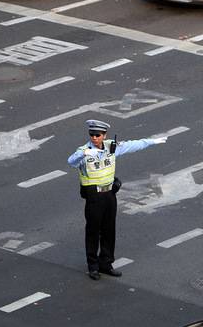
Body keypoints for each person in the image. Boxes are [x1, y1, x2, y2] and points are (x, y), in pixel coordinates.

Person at [68, 119, 167, 280]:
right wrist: (84, 154)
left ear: (104, 135)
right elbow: (71, 162)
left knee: (109, 230)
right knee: (93, 231)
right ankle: (93, 266)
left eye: (97, 135)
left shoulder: (111, 147)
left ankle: (106, 263)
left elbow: (133, 145)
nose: (94, 138)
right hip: (93, 196)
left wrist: (152, 141)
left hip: (109, 194)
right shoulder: (84, 150)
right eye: (91, 134)